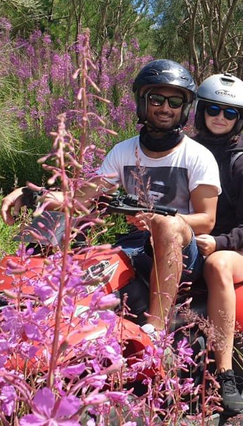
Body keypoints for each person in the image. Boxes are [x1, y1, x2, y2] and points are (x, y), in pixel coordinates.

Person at [0, 59, 221, 337]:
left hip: (183, 252)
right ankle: (23, 297)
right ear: (142, 102)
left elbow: (207, 219)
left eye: (175, 101)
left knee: (166, 224)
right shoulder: (123, 151)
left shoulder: (197, 155)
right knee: (85, 262)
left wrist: (157, 221)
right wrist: (31, 194)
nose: (165, 108)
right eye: (156, 99)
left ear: (185, 108)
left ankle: (156, 328)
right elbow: (79, 199)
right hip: (134, 246)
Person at [192, 73, 243, 415]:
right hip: (188, 238)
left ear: (241, 118)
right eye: (213, 108)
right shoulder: (187, 152)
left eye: (230, 112)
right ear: (200, 111)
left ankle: (225, 371)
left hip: (234, 248)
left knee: (216, 265)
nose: (220, 117)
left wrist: (220, 241)